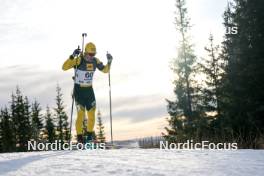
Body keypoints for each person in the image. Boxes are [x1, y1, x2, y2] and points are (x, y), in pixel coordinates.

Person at [62, 42, 113, 143]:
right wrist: (72, 56)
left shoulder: (95, 61)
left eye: (93, 54)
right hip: (79, 91)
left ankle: (89, 137)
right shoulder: (79, 60)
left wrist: (110, 61)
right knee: (81, 114)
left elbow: (105, 70)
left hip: (89, 91)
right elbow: (64, 67)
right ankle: (80, 138)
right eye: (90, 54)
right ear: (85, 52)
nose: (91, 57)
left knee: (91, 115)